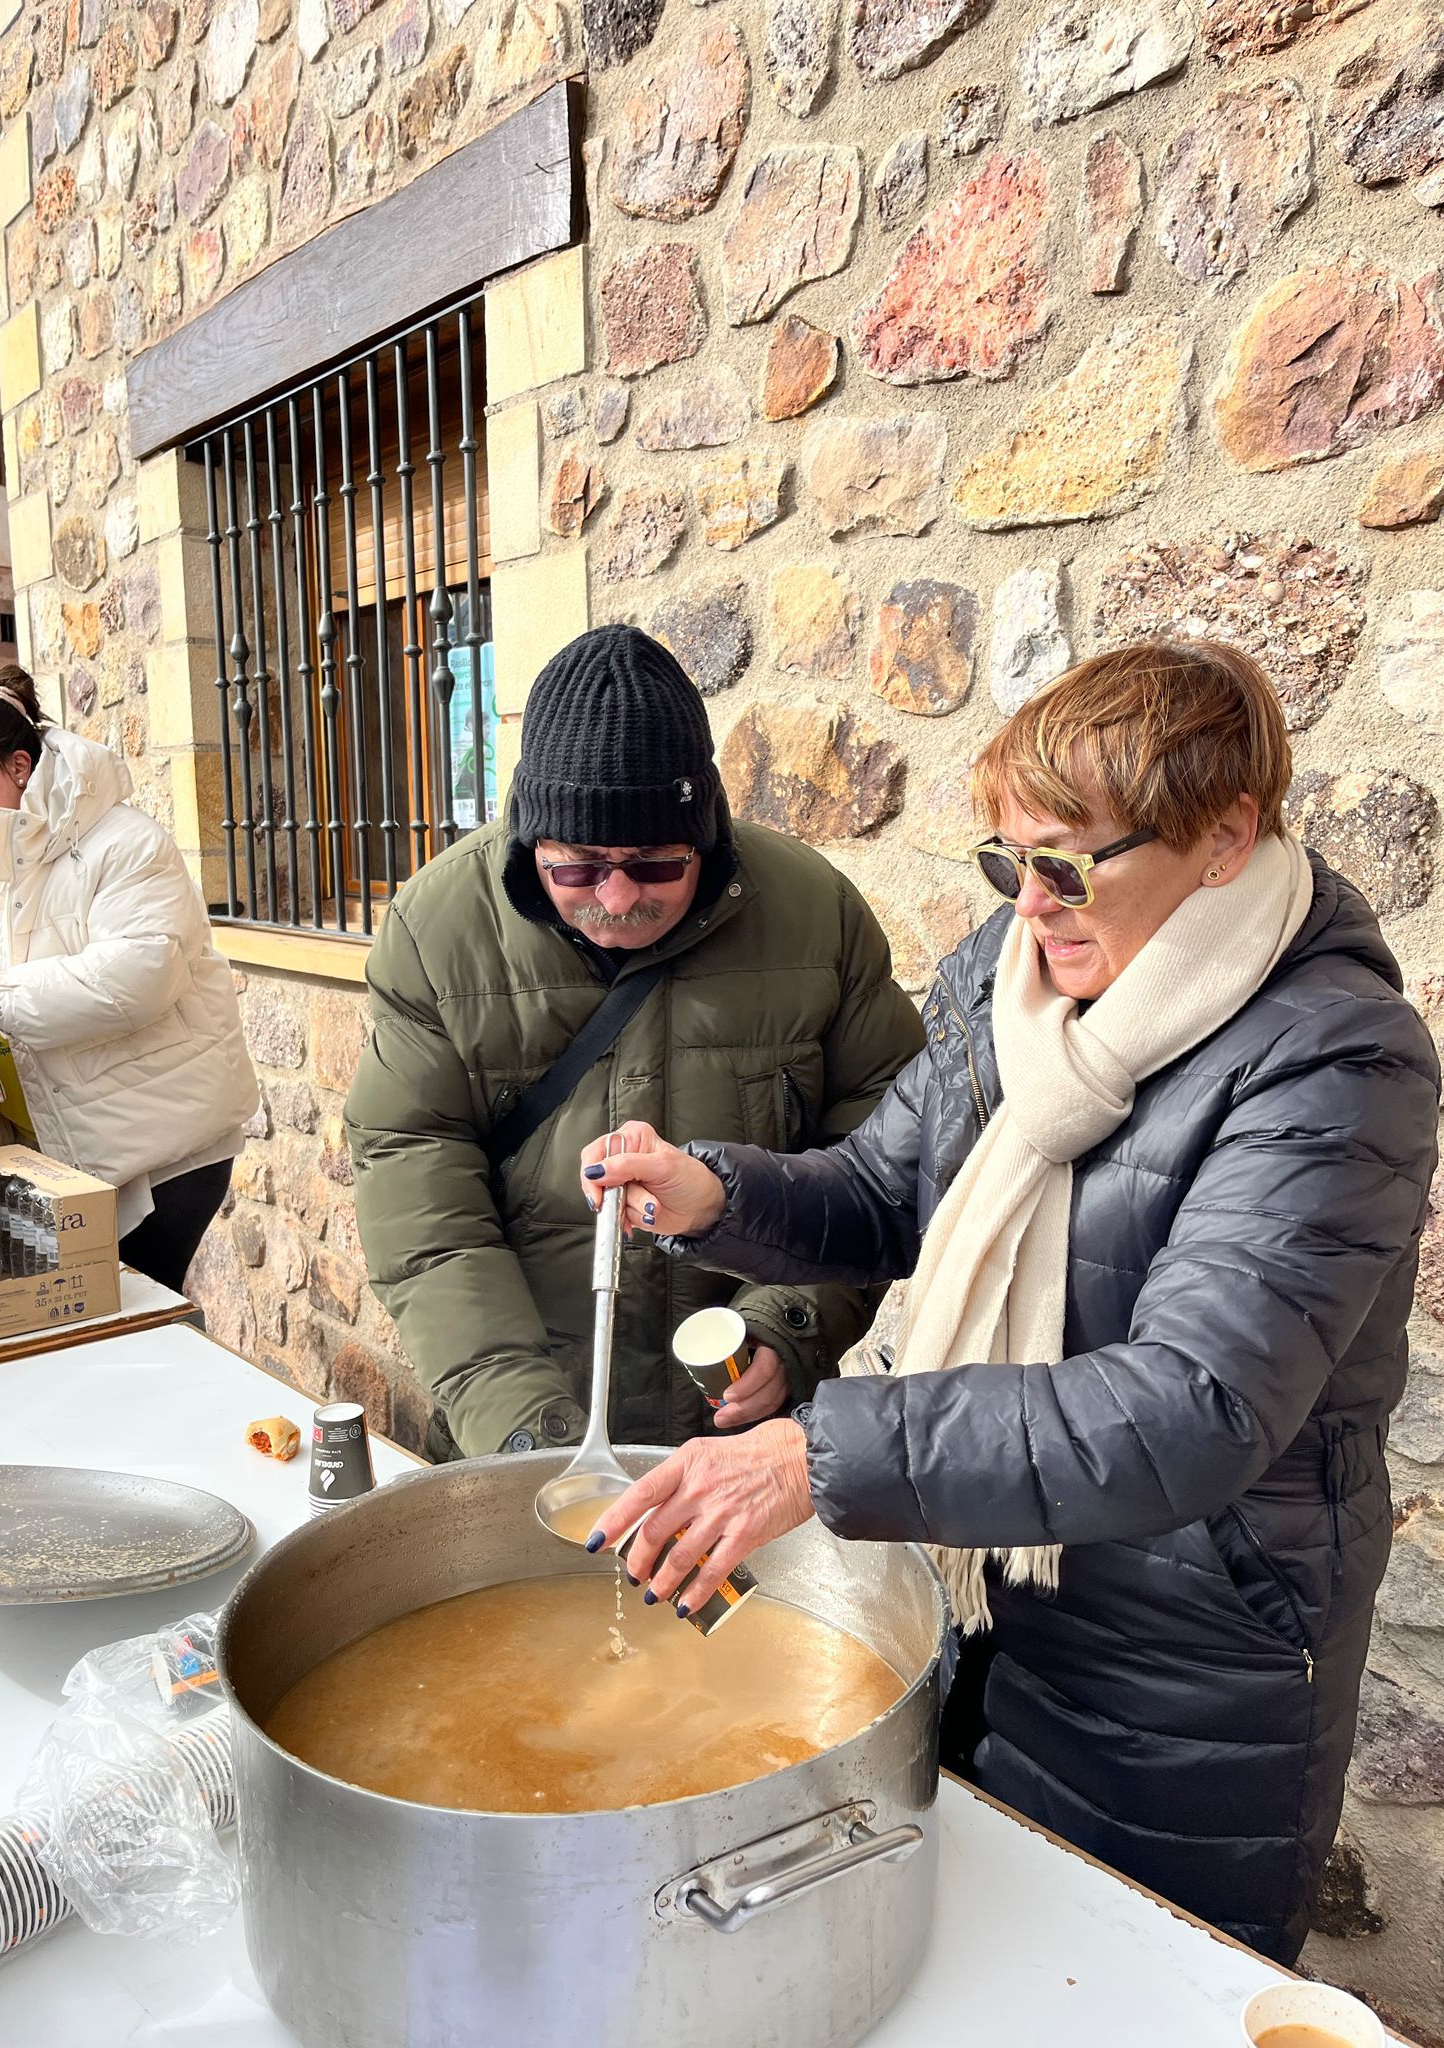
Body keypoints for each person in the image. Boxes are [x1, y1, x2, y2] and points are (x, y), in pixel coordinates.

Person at [583, 640, 1439, 1964]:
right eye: (1008, 860)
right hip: (967, 1592)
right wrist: (716, 1192)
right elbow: (888, 1191)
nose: (1028, 904)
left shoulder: (1334, 1055)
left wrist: (823, 1451)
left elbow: (1193, 1407)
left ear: (1225, 837)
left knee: (1127, 1989)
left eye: (1065, 861)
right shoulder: (1016, 973)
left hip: (1185, 1665)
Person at [345, 624, 924, 1459]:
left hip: (737, 1435)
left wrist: (790, 1325)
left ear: (708, 833)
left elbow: (882, 1153)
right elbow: (419, 1193)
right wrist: (517, 1425)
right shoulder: (439, 930)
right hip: (522, 1422)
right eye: (576, 866)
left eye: (655, 864)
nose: (617, 899)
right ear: (528, 840)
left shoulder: (815, 914)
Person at [0, 666, 259, 1292]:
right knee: (68, 1320)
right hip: (51, 1151)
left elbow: (140, 974)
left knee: (138, 1318)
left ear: (19, 766)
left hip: (159, 1153)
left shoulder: (123, 843)